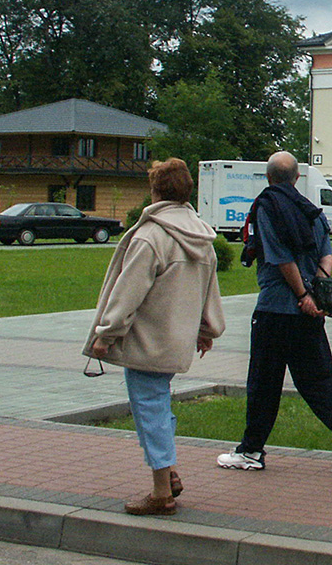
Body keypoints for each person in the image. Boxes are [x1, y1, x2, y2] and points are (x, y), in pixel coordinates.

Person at [83, 158, 226, 516]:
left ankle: (162, 491)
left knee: (150, 409)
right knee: (158, 404)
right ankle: (170, 471)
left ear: (155, 190)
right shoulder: (202, 235)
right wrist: (205, 331)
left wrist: (106, 333)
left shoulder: (151, 236)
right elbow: (210, 290)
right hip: (177, 340)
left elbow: (128, 290)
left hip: (147, 340)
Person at [217, 150, 332, 475]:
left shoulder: (267, 207)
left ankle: (251, 451)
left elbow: (280, 258)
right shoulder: (309, 210)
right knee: (319, 380)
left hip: (275, 310)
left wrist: (301, 294)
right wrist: (316, 292)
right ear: (297, 178)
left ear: (269, 177)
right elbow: (326, 258)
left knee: (263, 383)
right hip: (308, 314)